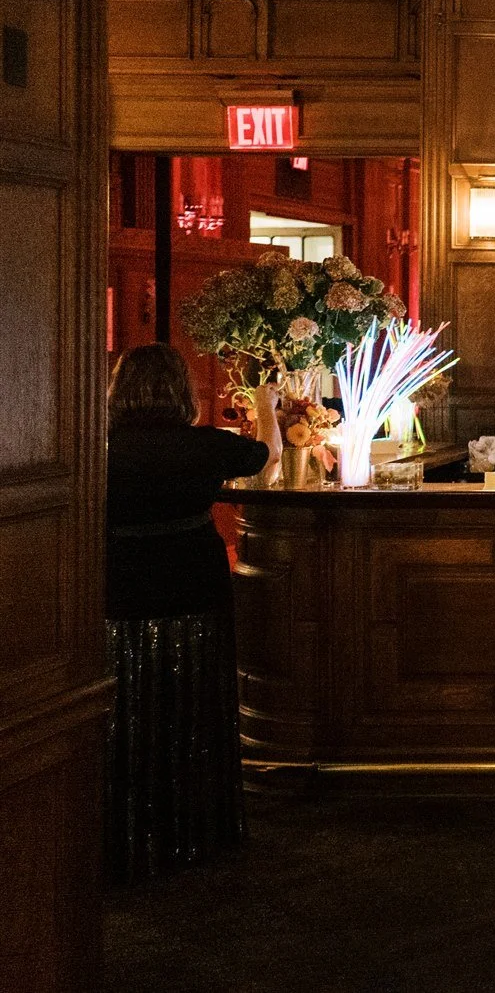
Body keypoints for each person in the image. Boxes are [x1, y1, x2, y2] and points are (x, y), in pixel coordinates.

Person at [103, 344, 278, 883]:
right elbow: (266, 458)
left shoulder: (98, 447)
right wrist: (267, 401)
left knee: (125, 707)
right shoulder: (205, 446)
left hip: (120, 587)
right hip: (193, 586)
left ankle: (121, 828)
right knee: (192, 704)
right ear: (183, 391)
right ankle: (193, 829)